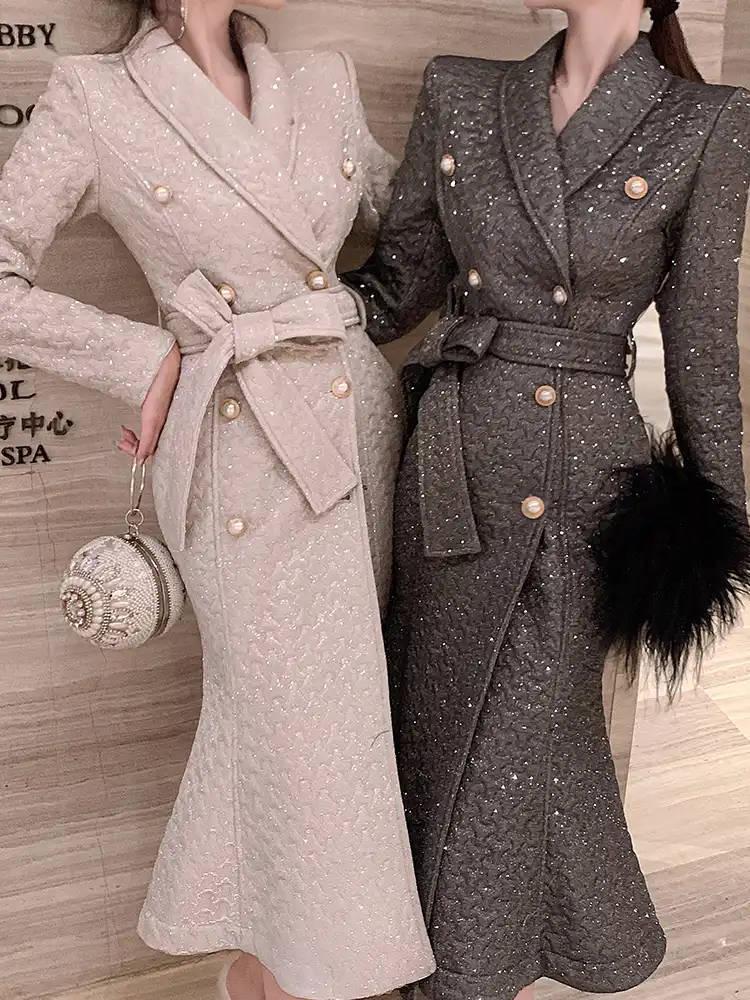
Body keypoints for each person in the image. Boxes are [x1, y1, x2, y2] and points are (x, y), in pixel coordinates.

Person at [0, 3, 436, 999]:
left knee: (352, 724)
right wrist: (146, 359)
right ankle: (302, 976)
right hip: (237, 447)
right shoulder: (96, 96)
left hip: (358, 432)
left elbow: (420, 230)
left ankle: (270, 973)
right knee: (287, 722)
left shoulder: (321, 79)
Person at [344, 1, 750, 998]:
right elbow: (397, 290)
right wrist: (262, 314)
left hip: (584, 482)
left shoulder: (705, 121)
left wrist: (726, 525)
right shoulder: (462, 92)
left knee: (527, 723)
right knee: (440, 707)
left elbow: (701, 350)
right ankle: (476, 951)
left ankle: (467, 974)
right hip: (455, 454)